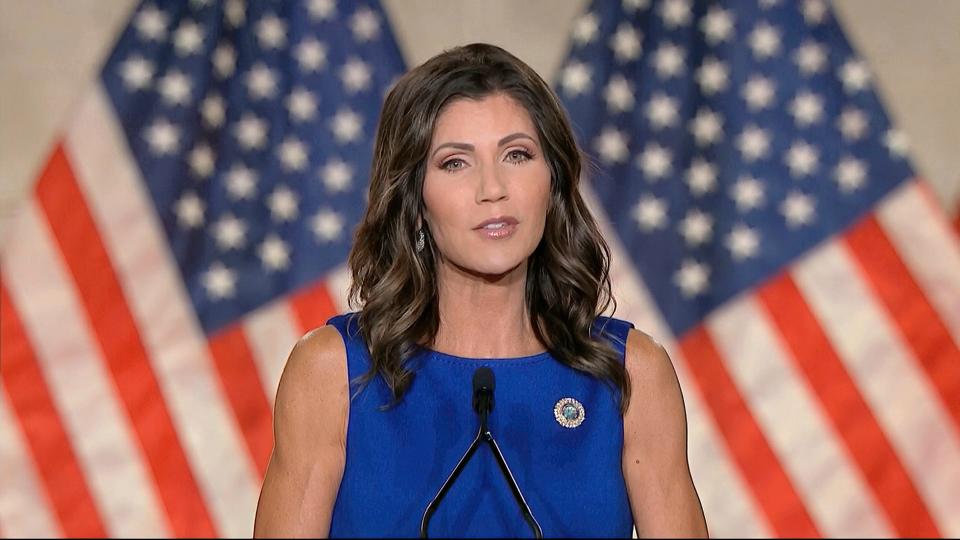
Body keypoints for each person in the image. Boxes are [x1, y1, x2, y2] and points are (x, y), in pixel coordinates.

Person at [253, 43, 707, 538]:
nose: (493, 188)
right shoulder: (332, 372)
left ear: (552, 182)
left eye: (517, 155)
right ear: (415, 199)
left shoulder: (631, 371)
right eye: (455, 162)